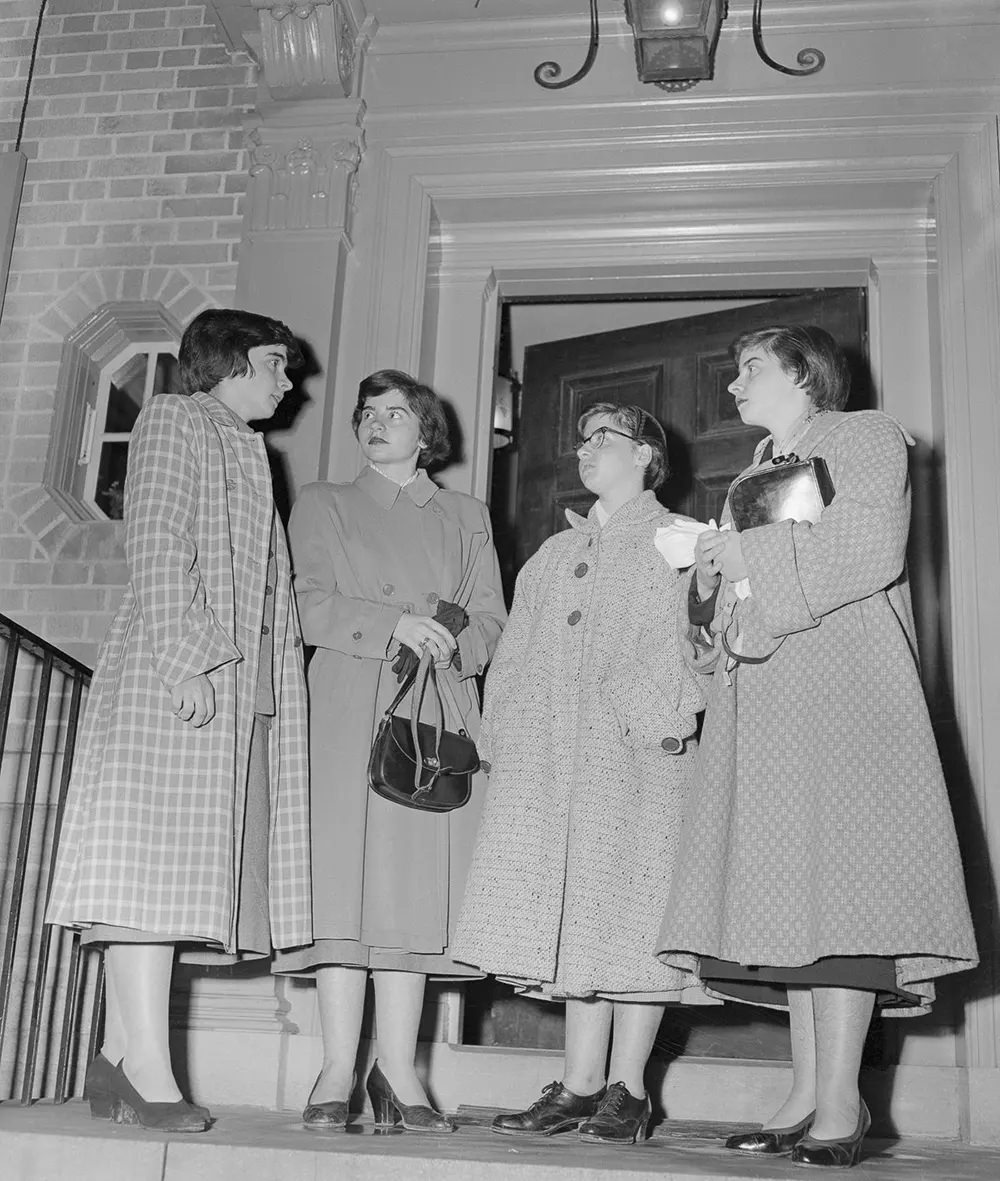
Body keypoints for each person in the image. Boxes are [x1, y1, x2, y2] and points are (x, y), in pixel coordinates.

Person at [656, 325, 977, 1169]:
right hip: (764, 701)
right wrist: (706, 585)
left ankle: (842, 1100)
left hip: (845, 689)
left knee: (841, 891)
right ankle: (804, 1092)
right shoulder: (755, 470)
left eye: (749, 369)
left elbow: (869, 547)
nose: (733, 386)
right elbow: (739, 586)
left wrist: (742, 552)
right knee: (792, 893)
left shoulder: (864, 435)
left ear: (803, 372)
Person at [46, 308, 312, 1133]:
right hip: (179, 676)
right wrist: (187, 656)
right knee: (148, 879)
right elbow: (157, 540)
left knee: (172, 877)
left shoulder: (245, 444)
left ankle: (122, 1057)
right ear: (231, 361)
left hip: (232, 689)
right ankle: (148, 1073)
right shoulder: (174, 416)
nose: (287, 380)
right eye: (275, 363)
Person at [452, 403, 707, 1146]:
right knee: (575, 919)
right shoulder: (552, 555)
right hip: (555, 764)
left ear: (647, 457)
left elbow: (695, 642)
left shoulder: (680, 540)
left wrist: (658, 715)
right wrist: (503, 737)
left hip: (638, 756)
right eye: (583, 437)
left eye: (606, 438)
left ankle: (628, 1089)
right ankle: (580, 1081)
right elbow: (517, 658)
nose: (586, 448)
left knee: (634, 913)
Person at [274, 369, 505, 1132]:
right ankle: (337, 1064)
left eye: (396, 412)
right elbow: (303, 602)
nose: (377, 423)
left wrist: (447, 643)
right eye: (366, 412)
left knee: (409, 888)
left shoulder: (465, 514)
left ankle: (398, 1069)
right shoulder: (324, 502)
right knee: (345, 885)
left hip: (430, 712)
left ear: (427, 431)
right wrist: (394, 625)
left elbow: (492, 623)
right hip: (346, 701)